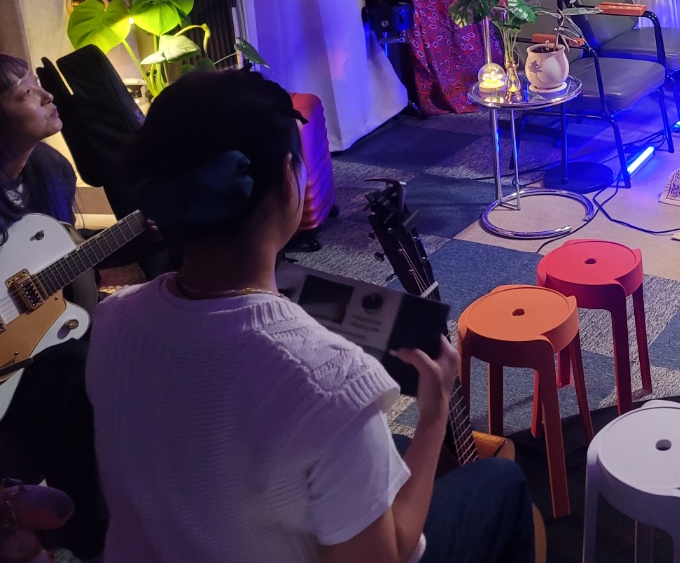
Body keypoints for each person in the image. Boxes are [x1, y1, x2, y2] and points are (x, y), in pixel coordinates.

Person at [87, 69, 535, 563]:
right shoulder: (333, 381)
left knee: (388, 453)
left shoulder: (112, 320)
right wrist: (434, 413)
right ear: (289, 177)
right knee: (501, 481)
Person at [0, 52, 106, 559]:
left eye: (38, 84)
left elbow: (64, 266)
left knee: (94, 353)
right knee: (76, 366)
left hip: (40, 337)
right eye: (26, 93)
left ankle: (84, 528)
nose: (46, 96)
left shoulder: (52, 169)